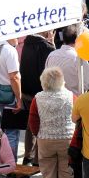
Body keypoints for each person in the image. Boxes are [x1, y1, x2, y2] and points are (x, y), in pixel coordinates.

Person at [28, 66, 75, 178]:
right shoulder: (71, 96)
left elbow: (33, 121)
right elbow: (77, 117)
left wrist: (39, 135)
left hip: (45, 140)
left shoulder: (38, 98)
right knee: (66, 177)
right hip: (67, 140)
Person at [17, 29, 55, 166]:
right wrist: (52, 44)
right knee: (41, 125)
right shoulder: (46, 47)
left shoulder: (27, 43)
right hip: (40, 92)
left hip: (26, 90)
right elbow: (51, 70)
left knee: (30, 125)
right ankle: (37, 160)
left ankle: (28, 156)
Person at [45, 24, 89, 96]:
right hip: (73, 100)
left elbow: (46, 79)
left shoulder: (51, 55)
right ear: (77, 40)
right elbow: (86, 85)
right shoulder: (80, 59)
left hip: (53, 98)